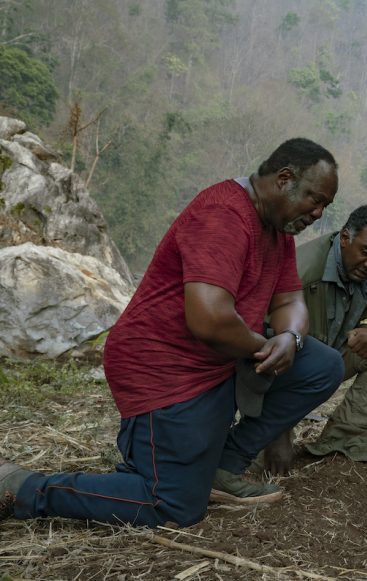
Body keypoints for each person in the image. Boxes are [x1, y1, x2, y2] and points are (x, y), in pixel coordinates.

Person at [0, 138, 346, 528]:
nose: (317, 213)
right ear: (284, 179)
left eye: (324, 207)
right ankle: (23, 487)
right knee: (171, 505)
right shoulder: (224, 214)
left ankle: (221, 467)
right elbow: (209, 320)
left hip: (219, 362)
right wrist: (265, 345)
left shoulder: (278, 231)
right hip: (163, 367)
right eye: (315, 200)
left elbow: (290, 303)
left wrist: (290, 339)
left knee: (322, 365)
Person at [261, 205, 367, 473]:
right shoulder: (302, 270)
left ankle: (343, 436)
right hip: (286, 371)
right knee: (259, 457)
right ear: (345, 238)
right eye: (366, 253)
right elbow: (264, 351)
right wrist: (278, 430)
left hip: (331, 359)